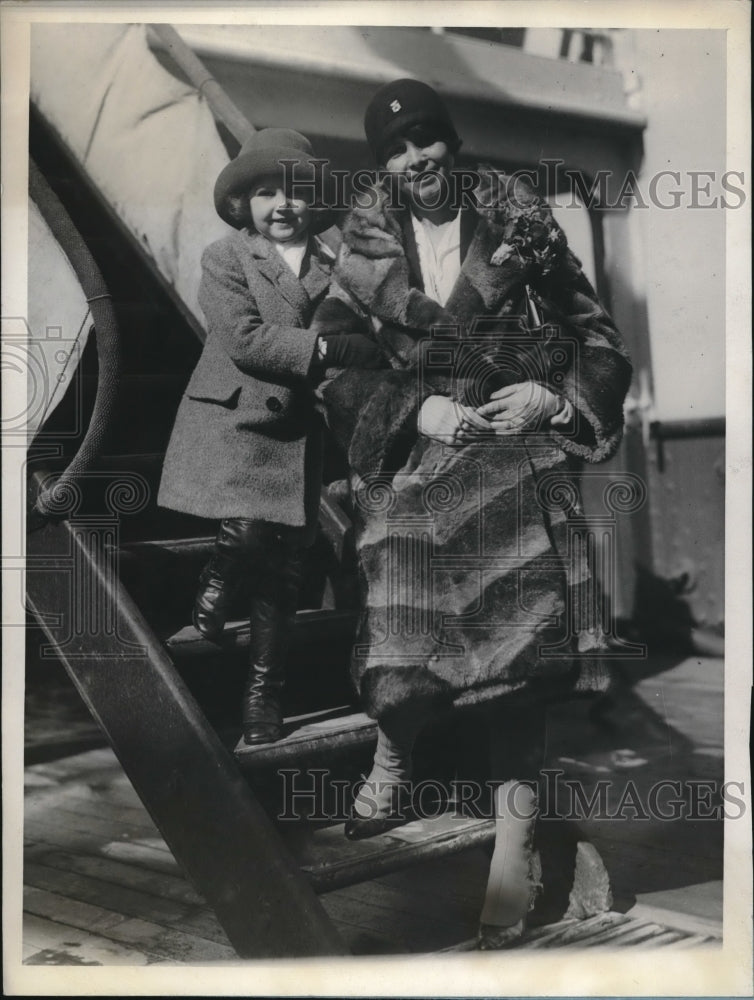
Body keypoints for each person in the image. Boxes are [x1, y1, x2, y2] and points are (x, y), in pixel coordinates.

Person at [313, 79, 632, 946]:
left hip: (509, 454)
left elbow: (595, 338)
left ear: (450, 147)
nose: (418, 162)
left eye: (428, 143)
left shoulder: (520, 224)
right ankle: (394, 745)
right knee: (398, 598)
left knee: (518, 660)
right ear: (383, 165)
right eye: (398, 150)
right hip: (417, 455)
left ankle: (511, 860)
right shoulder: (359, 247)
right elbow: (338, 365)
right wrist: (414, 411)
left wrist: (550, 396)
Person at [158, 128, 387, 745]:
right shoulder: (226, 257)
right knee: (248, 529)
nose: (282, 204)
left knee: (283, 576)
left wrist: (359, 349)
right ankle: (215, 578)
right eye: (266, 192)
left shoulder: (336, 262)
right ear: (243, 204)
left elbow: (365, 326)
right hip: (234, 419)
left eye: (297, 191)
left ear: (317, 200)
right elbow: (244, 339)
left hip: (297, 431)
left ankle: (265, 696)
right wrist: (325, 345)